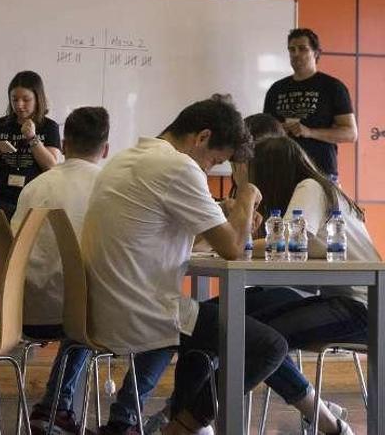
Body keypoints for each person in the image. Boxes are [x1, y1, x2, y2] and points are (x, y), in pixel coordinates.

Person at [83, 97, 288, 435]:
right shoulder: (179, 167)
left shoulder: (127, 158)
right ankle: (179, 429)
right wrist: (248, 196)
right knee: (269, 346)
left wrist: (219, 213)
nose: (208, 170)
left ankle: (159, 422)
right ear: (202, 137)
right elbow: (234, 248)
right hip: (142, 310)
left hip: (102, 306)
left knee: (206, 328)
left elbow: (176, 238)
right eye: (214, 161)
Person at [245, 136, 382, 435]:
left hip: (361, 308)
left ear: (271, 173)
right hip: (350, 303)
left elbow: (292, 240)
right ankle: (322, 413)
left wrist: (238, 244)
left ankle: (197, 414)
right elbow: (308, 247)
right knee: (248, 334)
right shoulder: (320, 188)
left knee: (253, 338)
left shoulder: (309, 187)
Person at [6, 106, 109, 434]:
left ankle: (56, 408)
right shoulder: (109, 187)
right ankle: (124, 418)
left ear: (63, 143)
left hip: (25, 312)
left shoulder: (35, 187)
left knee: (82, 307)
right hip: (79, 318)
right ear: (106, 149)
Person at [263, 28, 357, 177]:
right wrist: (277, 130)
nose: (296, 54)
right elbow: (265, 132)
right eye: (291, 50)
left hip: (320, 173)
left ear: (316, 53)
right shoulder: (276, 89)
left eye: (302, 49)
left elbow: (350, 133)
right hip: (281, 173)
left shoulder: (332, 87)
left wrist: (309, 132)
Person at [0, 70, 61, 219]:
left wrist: (32, 137)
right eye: (14, 99)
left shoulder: (49, 126)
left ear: (38, 98)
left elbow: (51, 166)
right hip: (2, 200)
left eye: (26, 99)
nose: (19, 105)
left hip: (35, 203)